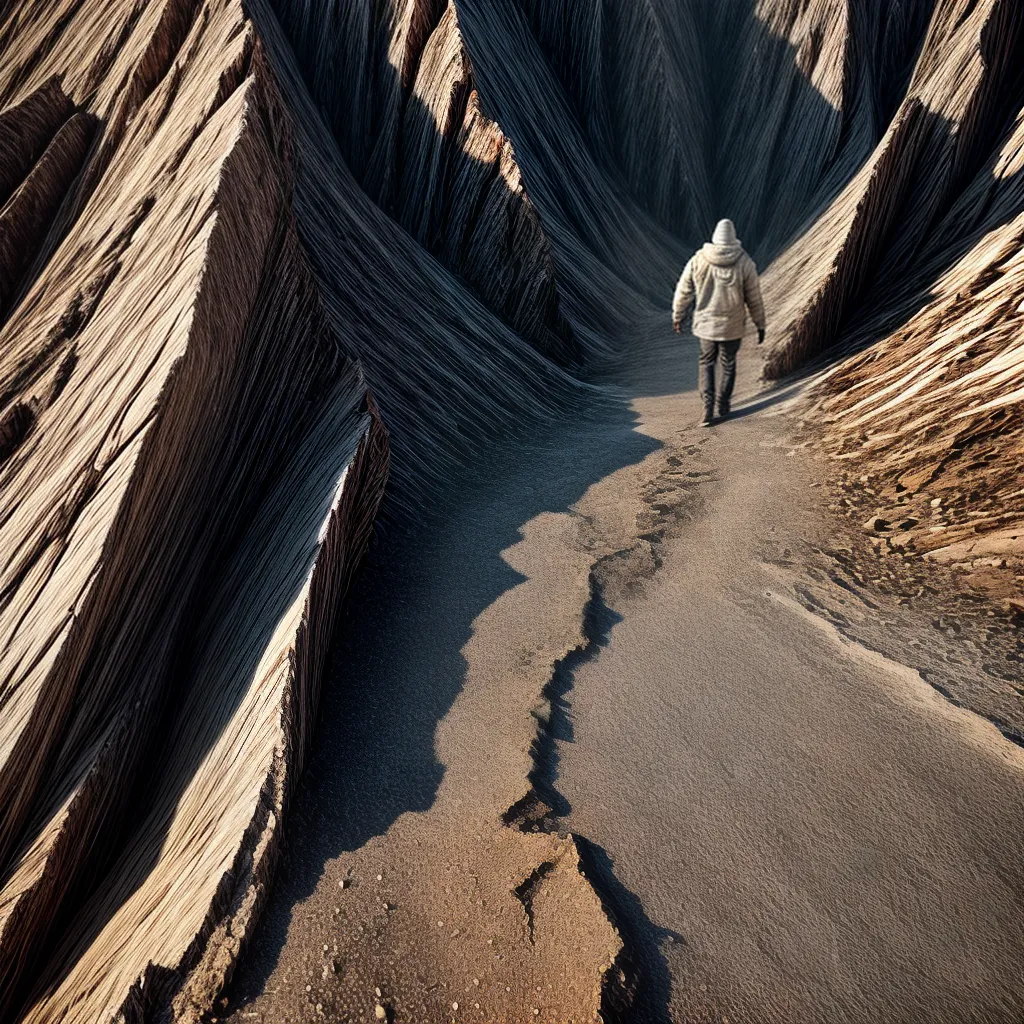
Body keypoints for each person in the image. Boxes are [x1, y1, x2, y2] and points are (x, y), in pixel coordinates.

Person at [672, 219, 766, 426]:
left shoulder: (698, 260)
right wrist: (760, 324)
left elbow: (684, 291)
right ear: (733, 238)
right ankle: (723, 404)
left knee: (706, 363)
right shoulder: (744, 262)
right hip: (732, 327)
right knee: (728, 364)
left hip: (706, 325)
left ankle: (707, 409)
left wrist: (678, 316)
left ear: (715, 237)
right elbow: (754, 297)